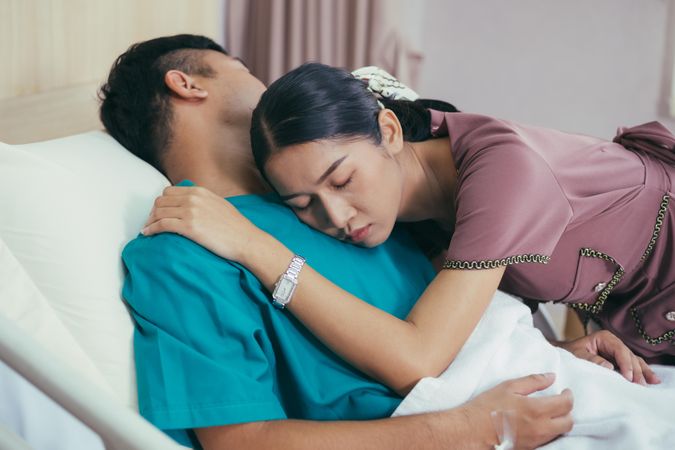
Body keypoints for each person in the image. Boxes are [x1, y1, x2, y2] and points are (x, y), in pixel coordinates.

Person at [99, 35, 573, 450]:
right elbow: (240, 441)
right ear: (187, 83)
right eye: (242, 68)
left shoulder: (362, 201)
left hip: (546, 389)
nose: (332, 213)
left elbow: (463, 316)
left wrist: (562, 356)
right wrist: (467, 432)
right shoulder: (179, 251)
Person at [145, 62, 673, 397]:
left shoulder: (503, 176)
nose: (337, 217)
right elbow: (491, 321)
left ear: (390, 130)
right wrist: (561, 352)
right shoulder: (408, 213)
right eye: (304, 203)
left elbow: (417, 359)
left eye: (343, 180)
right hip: (635, 312)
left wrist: (255, 248)